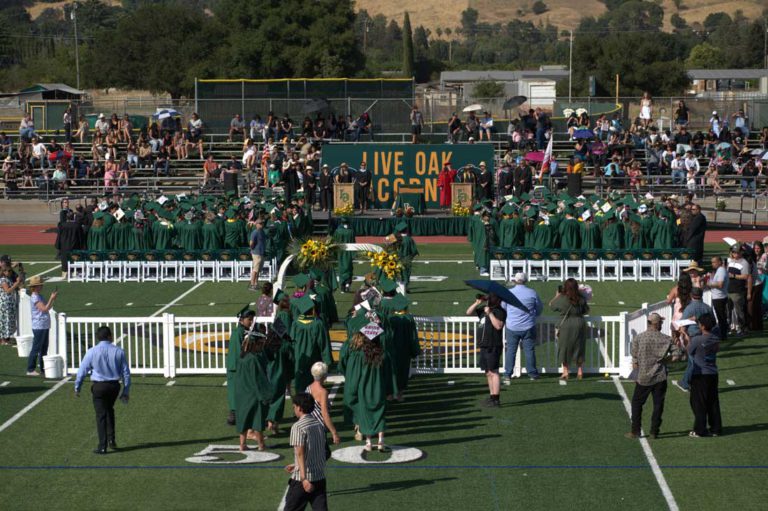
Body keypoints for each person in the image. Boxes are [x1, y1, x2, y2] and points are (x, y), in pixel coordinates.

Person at [74, 326, 131, 454]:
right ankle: (112, 440)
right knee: (109, 410)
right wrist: (126, 391)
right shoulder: (119, 351)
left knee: (101, 415)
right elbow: (126, 373)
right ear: (110, 336)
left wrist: (78, 386)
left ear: (98, 337)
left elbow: (82, 371)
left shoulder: (91, 351)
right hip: (114, 386)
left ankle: (102, 445)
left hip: (99, 387)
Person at [625, 313, 676, 440]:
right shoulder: (666, 339)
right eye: (661, 323)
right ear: (657, 323)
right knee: (658, 404)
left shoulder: (639, 338)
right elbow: (677, 355)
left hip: (643, 377)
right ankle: (654, 431)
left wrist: (636, 374)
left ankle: (635, 431)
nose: (662, 325)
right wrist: (665, 361)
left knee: (637, 404)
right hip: (660, 376)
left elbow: (635, 358)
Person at [283, 392, 328, 511]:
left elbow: (300, 452)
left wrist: (304, 478)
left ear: (299, 407)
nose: (294, 409)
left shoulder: (298, 427)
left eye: (294, 407)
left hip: (302, 481)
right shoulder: (319, 424)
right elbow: (322, 451)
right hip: (319, 478)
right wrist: (296, 464)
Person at [681, 313, 723, 437]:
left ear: (703, 326)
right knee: (713, 401)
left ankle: (700, 429)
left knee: (698, 403)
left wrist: (684, 335)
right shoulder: (715, 338)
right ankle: (716, 428)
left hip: (700, 375)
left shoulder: (698, 339)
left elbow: (688, 350)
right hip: (712, 373)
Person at [234, 326, 275, 452]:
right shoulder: (253, 359)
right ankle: (261, 445)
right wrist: (267, 394)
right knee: (257, 421)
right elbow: (258, 379)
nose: (261, 346)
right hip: (253, 394)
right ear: (254, 344)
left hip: (241, 393)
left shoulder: (241, 357)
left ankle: (242, 444)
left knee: (243, 419)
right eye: (260, 344)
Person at [467, 292, 506, 407]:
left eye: (490, 298)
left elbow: (498, 326)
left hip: (493, 345)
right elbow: (468, 312)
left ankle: (496, 399)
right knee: (488, 373)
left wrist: (490, 314)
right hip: (484, 345)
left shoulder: (500, 311)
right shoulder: (484, 310)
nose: (488, 299)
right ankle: (491, 396)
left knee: (494, 372)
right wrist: (477, 303)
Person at [503, 272, 543, 383]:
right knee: (529, 350)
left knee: (511, 350)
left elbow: (503, 307)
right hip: (528, 326)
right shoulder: (532, 293)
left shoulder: (509, 293)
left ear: (515, 280)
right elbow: (539, 308)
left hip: (512, 326)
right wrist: (533, 314)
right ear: (525, 280)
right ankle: (532, 373)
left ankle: (507, 374)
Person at [550, 279, 590, 380]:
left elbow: (552, 305)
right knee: (579, 347)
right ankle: (580, 371)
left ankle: (565, 372)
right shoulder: (581, 298)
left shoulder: (563, 298)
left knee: (564, 348)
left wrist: (557, 295)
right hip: (580, 323)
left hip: (566, 325)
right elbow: (586, 310)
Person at [226, 307, 255, 426]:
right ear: (242, 320)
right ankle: (233, 416)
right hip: (235, 367)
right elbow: (240, 353)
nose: (251, 322)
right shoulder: (239, 333)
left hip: (235, 366)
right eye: (249, 319)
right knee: (235, 391)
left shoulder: (240, 331)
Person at [26, 276, 57, 376]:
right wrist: (51, 298)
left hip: (43, 324)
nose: (41, 286)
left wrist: (52, 299)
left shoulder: (39, 296)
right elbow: (44, 309)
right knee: (37, 347)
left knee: (44, 347)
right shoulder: (35, 297)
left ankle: (43, 368)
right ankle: (30, 369)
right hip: (39, 325)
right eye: (40, 285)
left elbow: (47, 307)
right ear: (35, 287)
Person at [305, 362, 341, 448]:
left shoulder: (308, 388)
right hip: (318, 427)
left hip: (308, 425)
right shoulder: (323, 392)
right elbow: (324, 414)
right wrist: (334, 432)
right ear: (324, 376)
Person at [727, 245, 750, 336]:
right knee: (728, 310)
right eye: (733, 252)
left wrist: (734, 276)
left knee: (739, 311)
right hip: (729, 289)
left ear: (741, 252)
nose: (735, 254)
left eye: (736, 252)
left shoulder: (744, 263)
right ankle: (730, 328)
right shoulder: (730, 261)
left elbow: (746, 276)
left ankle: (743, 329)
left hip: (738, 290)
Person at [0, 263, 23, 346]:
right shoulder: (3, 280)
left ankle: (6, 338)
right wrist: (17, 283)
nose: (10, 272)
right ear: (4, 272)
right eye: (8, 271)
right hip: (5, 303)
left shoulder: (7, 278)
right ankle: (3, 339)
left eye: (10, 271)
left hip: (8, 302)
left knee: (8, 320)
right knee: (5, 320)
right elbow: (8, 290)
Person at [249, 218, 266, 291]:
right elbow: (251, 243)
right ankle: (252, 284)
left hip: (261, 252)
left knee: (258, 270)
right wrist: (253, 249)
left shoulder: (262, 231)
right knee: (255, 269)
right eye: (260, 223)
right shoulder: (255, 232)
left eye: (262, 223)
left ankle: (256, 283)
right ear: (256, 224)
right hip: (256, 253)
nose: (262, 224)